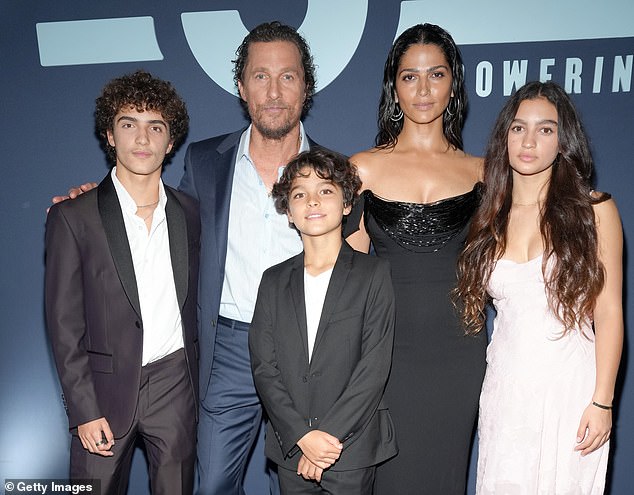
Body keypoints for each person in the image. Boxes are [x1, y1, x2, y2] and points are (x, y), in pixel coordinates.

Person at [52, 21, 325, 494]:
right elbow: (146, 215)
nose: (274, 91)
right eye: (260, 76)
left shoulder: (333, 175)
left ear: (306, 85)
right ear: (241, 87)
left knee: (309, 485)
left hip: (305, 352)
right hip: (226, 353)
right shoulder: (204, 163)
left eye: (288, 76)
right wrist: (89, 204)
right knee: (212, 485)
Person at [455, 81, 623, 494]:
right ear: (504, 137)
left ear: (562, 141)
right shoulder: (488, 217)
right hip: (506, 389)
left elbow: (609, 312)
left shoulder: (594, 210)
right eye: (518, 128)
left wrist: (602, 401)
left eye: (545, 129)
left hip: (570, 387)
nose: (529, 141)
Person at [345, 23, 486, 493]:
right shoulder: (362, 168)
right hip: (386, 352)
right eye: (410, 77)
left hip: (459, 352)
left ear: (453, 83)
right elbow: (343, 279)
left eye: (436, 74)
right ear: (393, 84)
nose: (423, 90)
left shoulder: (484, 172)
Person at [45, 70, 200, 494]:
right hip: (102, 391)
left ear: (171, 142)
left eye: (156, 127)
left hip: (175, 384)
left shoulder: (190, 213)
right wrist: (83, 409)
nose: (142, 138)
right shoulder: (73, 217)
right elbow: (64, 324)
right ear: (109, 135)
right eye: (128, 124)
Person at [249, 148, 397, 494]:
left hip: (351, 448)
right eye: (300, 194)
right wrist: (302, 435)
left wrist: (324, 442)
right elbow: (264, 368)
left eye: (325, 191)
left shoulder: (373, 275)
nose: (312, 201)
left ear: (347, 204)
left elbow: (373, 368)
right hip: (291, 447)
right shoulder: (272, 281)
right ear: (288, 212)